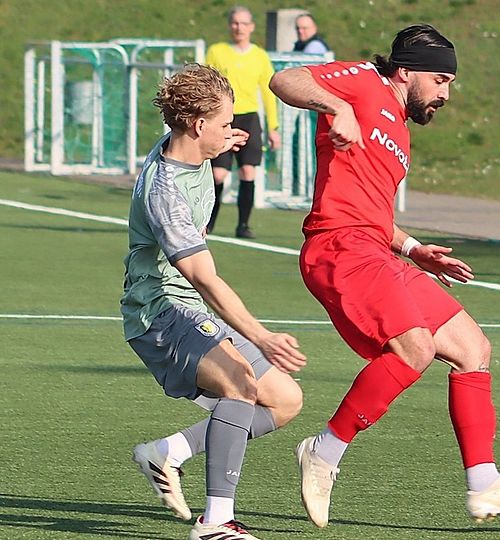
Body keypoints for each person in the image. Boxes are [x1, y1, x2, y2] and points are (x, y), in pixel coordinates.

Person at [268, 24, 500, 528]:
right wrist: (335, 108)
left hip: (376, 249)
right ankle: (324, 452)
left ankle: (484, 483)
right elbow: (284, 79)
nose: (445, 94)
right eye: (441, 80)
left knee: (472, 348)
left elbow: (374, 212)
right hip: (338, 247)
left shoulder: (399, 130)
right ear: (406, 71)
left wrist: (415, 248)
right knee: (415, 347)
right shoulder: (363, 82)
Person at [123, 64, 307, 540]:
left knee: (285, 401)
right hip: (160, 312)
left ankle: (170, 452)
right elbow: (204, 279)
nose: (233, 129)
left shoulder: (192, 147)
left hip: (187, 310)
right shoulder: (165, 192)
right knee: (240, 385)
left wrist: (221, 141)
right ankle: (215, 522)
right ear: (198, 125)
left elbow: (201, 142)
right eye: (226, 122)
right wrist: (260, 335)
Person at [206, 6, 282, 239]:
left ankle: (243, 225)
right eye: (235, 23)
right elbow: (207, 84)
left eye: (243, 23)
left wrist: (273, 127)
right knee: (218, 174)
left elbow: (269, 92)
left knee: (248, 171)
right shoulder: (217, 52)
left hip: (249, 119)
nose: (239, 28)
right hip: (222, 119)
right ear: (230, 26)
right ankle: (207, 223)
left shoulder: (259, 56)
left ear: (251, 27)